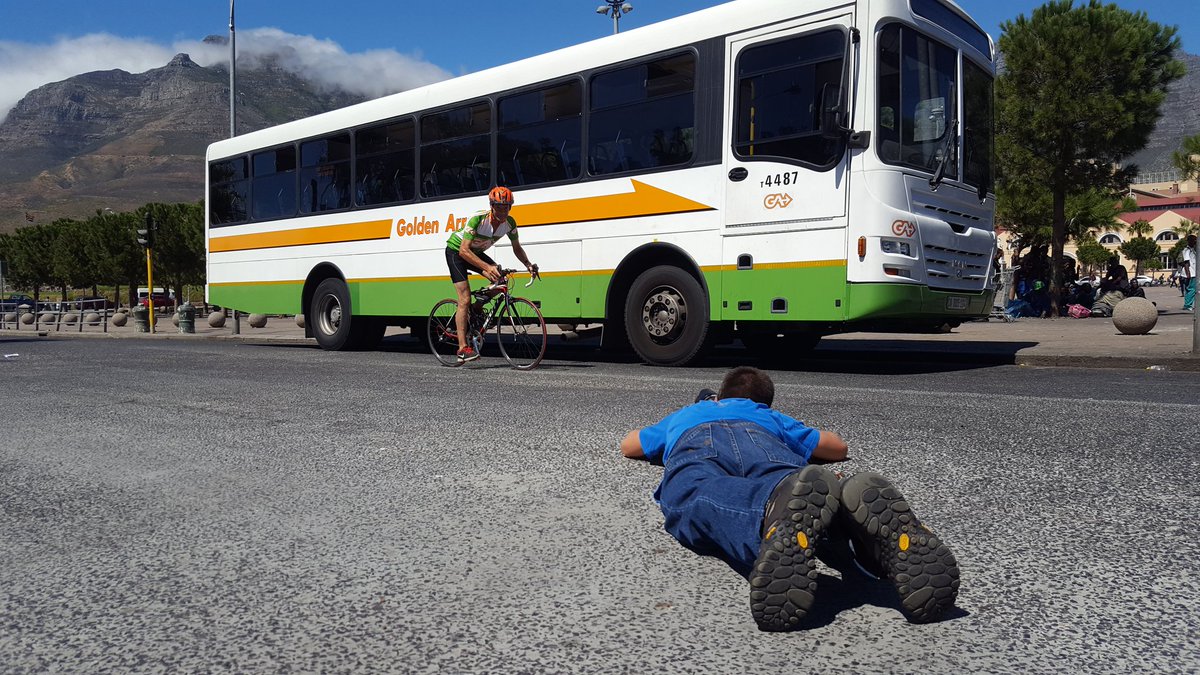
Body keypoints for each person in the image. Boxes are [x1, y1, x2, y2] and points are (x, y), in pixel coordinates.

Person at [619, 367, 960, 631]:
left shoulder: (687, 414)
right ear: (763, 401)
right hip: (763, 442)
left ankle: (769, 508)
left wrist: (680, 422)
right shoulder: (768, 416)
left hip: (698, 442)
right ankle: (863, 542)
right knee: (792, 483)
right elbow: (837, 447)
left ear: (719, 394)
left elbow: (630, 445)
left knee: (695, 495)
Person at [444, 186, 538, 363]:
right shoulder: (478, 219)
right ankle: (463, 348)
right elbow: (464, 251)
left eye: (506, 207)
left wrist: (528, 264)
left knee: (501, 280)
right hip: (456, 252)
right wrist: (487, 267)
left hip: (476, 253)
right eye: (499, 207)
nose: (503, 211)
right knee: (464, 299)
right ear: (491, 206)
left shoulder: (509, 223)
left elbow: (516, 247)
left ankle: (477, 308)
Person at [1182, 234, 1197, 312]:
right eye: (1194, 240)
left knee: (1191, 289)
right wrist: (1188, 273)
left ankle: (1188, 304)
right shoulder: (1187, 250)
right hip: (1191, 273)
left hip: (1193, 272)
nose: (1195, 242)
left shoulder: (1193, 250)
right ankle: (1188, 305)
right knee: (1191, 289)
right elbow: (1186, 262)